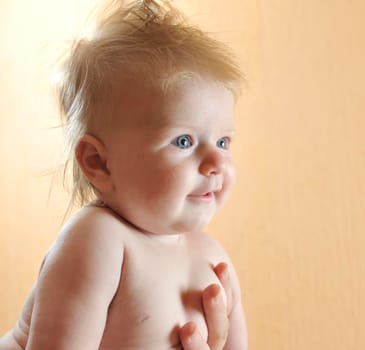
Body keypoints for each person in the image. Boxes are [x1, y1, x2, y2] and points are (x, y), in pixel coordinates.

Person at [0, 0, 247, 349]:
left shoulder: (214, 258)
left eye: (223, 141)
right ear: (99, 163)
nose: (215, 162)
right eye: (184, 141)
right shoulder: (100, 241)